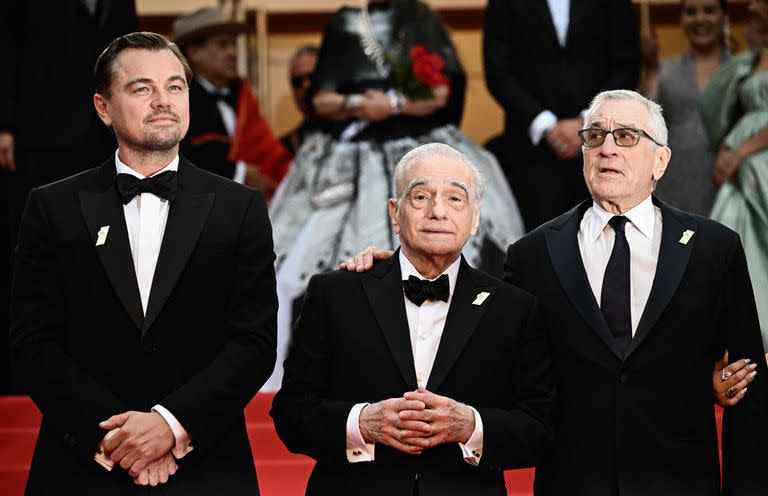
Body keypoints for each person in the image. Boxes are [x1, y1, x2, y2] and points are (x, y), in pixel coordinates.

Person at [342, 90, 768, 494]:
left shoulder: (715, 249)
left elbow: (750, 392)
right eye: (595, 135)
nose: (607, 148)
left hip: (682, 484)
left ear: (661, 159)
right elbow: (481, 357)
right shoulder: (533, 255)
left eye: (625, 136)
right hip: (571, 483)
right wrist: (401, 266)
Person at [9, 32, 277, 493]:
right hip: (82, 465)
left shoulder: (242, 208)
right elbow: (32, 342)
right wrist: (114, 437)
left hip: (207, 465)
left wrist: (171, 426)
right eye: (142, 88)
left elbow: (254, 342)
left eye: (175, 86)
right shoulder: (52, 206)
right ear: (103, 108)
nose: (163, 101)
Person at [263, 0, 524, 391]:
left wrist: (392, 104)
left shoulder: (421, 18)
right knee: (297, 265)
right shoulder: (344, 22)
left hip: (421, 149)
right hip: (347, 159)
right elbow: (321, 98)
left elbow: (441, 93)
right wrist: (359, 105)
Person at [271, 143, 554, 495]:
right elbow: (290, 412)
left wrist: (470, 426)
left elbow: (540, 427)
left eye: (455, 198)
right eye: (421, 197)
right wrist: (362, 424)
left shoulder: (513, 308)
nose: (437, 211)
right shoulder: (336, 294)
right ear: (395, 212)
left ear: (475, 216)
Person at [0, 0, 138, 394]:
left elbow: (127, 52)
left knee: (103, 247)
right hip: (38, 134)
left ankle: (97, 360)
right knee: (40, 246)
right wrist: (4, 123)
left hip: (104, 133)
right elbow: (6, 48)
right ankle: (32, 363)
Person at [483, 0, 640, 232]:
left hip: (603, 146)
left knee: (604, 239)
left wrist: (589, 122)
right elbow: (498, 71)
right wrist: (545, 124)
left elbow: (627, 66)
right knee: (539, 245)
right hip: (530, 149)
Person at [701, 0, 768, 352]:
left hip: (761, 162)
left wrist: (741, 151)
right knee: (734, 242)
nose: (752, 4)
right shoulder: (753, 58)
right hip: (742, 171)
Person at [174, 7, 291, 196]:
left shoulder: (242, 96)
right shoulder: (178, 100)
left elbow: (266, 151)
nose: (233, 52)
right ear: (194, 52)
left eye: (234, 44)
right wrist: (241, 174)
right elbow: (181, 158)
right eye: (222, 45)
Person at [638, 0, 731, 215]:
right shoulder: (664, 69)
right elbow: (645, 120)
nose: (700, 19)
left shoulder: (740, 68)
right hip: (674, 180)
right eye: (691, 12)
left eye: (709, 11)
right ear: (681, 19)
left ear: (724, 16)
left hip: (727, 180)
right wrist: (650, 69)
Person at [280, 44, 320, 157]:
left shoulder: (354, 135)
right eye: (297, 81)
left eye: (312, 77)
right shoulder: (282, 149)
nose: (306, 85)